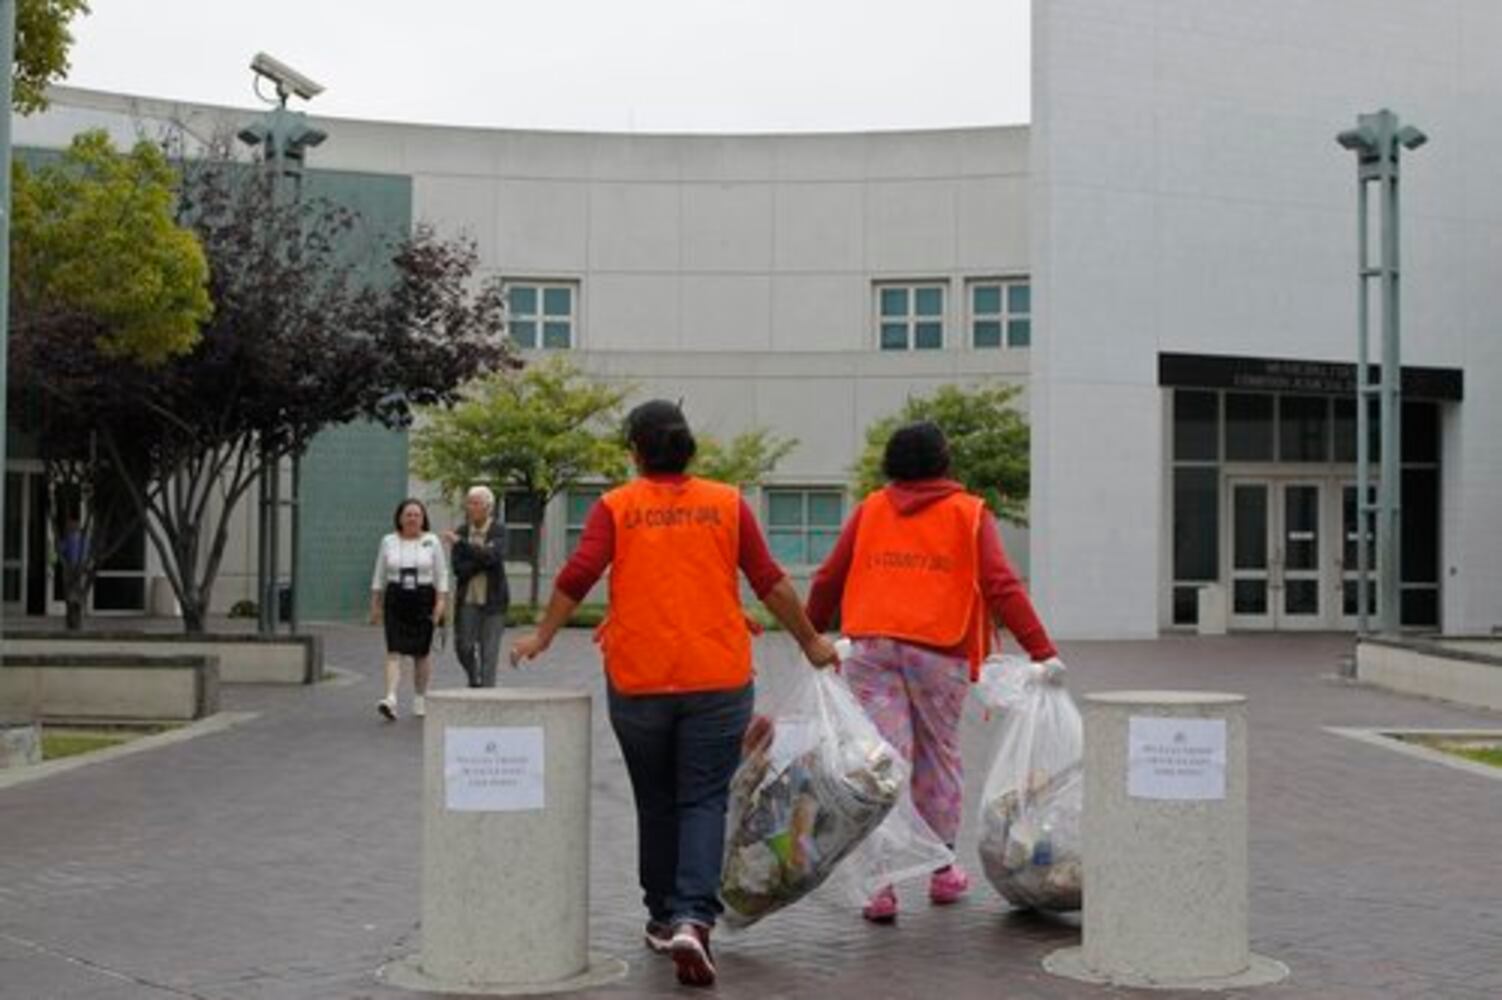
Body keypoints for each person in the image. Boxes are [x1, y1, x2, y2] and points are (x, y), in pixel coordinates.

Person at [510, 399, 837, 989]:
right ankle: (692, 918)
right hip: (717, 677)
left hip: (639, 680)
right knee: (704, 799)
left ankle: (662, 916)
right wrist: (811, 640)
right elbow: (769, 581)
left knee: (656, 800)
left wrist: (543, 635)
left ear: (635, 451)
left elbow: (579, 573)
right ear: (688, 448)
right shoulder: (726, 503)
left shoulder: (617, 506)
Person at [805, 420, 1063, 923]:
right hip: (938, 650)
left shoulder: (870, 509)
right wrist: (1041, 650)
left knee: (881, 764)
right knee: (937, 760)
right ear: (943, 461)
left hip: (872, 647)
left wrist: (810, 634)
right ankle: (943, 871)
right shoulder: (968, 513)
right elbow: (1001, 584)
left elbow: (829, 576)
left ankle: (880, 886)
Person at [370, 498, 450, 721]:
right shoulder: (388, 541)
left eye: (417, 515)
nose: (412, 519)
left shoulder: (431, 541)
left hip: (423, 597)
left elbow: (441, 574)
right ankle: (390, 698)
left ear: (423, 519)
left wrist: (441, 603)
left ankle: (420, 698)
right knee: (393, 650)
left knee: (421, 653)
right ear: (400, 518)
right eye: (408, 515)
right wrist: (375, 604)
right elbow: (379, 573)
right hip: (396, 597)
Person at [442, 485, 510, 688]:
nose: (470, 507)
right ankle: (474, 677)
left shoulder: (499, 530)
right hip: (467, 601)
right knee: (463, 646)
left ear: (488, 507)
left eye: (476, 503)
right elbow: (459, 569)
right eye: (469, 503)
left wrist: (463, 546)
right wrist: (481, 557)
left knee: (490, 652)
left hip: (494, 602)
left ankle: (487, 695)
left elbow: (494, 557)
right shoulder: (462, 531)